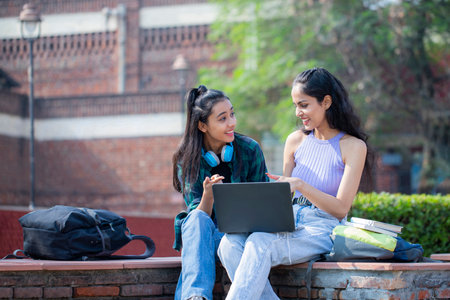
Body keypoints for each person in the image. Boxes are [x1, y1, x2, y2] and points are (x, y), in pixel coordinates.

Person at [217, 67, 373, 299]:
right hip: (287, 221)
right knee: (228, 244)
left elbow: (341, 209)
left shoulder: (353, 146)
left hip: (321, 228)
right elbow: (284, 196)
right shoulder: (295, 141)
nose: (298, 112)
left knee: (260, 242)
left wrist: (300, 184)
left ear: (326, 102)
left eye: (304, 104)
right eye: (295, 106)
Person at [172, 85, 269, 300]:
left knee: (223, 239)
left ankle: (191, 296)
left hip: (241, 239)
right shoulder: (187, 159)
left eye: (232, 114)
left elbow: (263, 206)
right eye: (223, 118)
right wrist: (208, 195)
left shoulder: (250, 150)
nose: (232, 122)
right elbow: (197, 221)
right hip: (206, 238)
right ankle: (196, 297)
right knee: (195, 217)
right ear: (203, 126)